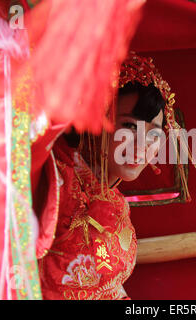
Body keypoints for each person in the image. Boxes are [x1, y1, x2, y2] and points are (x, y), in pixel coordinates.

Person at [31, 52, 176, 300]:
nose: (142, 144)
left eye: (153, 133)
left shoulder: (115, 202)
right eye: (129, 126)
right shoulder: (56, 182)